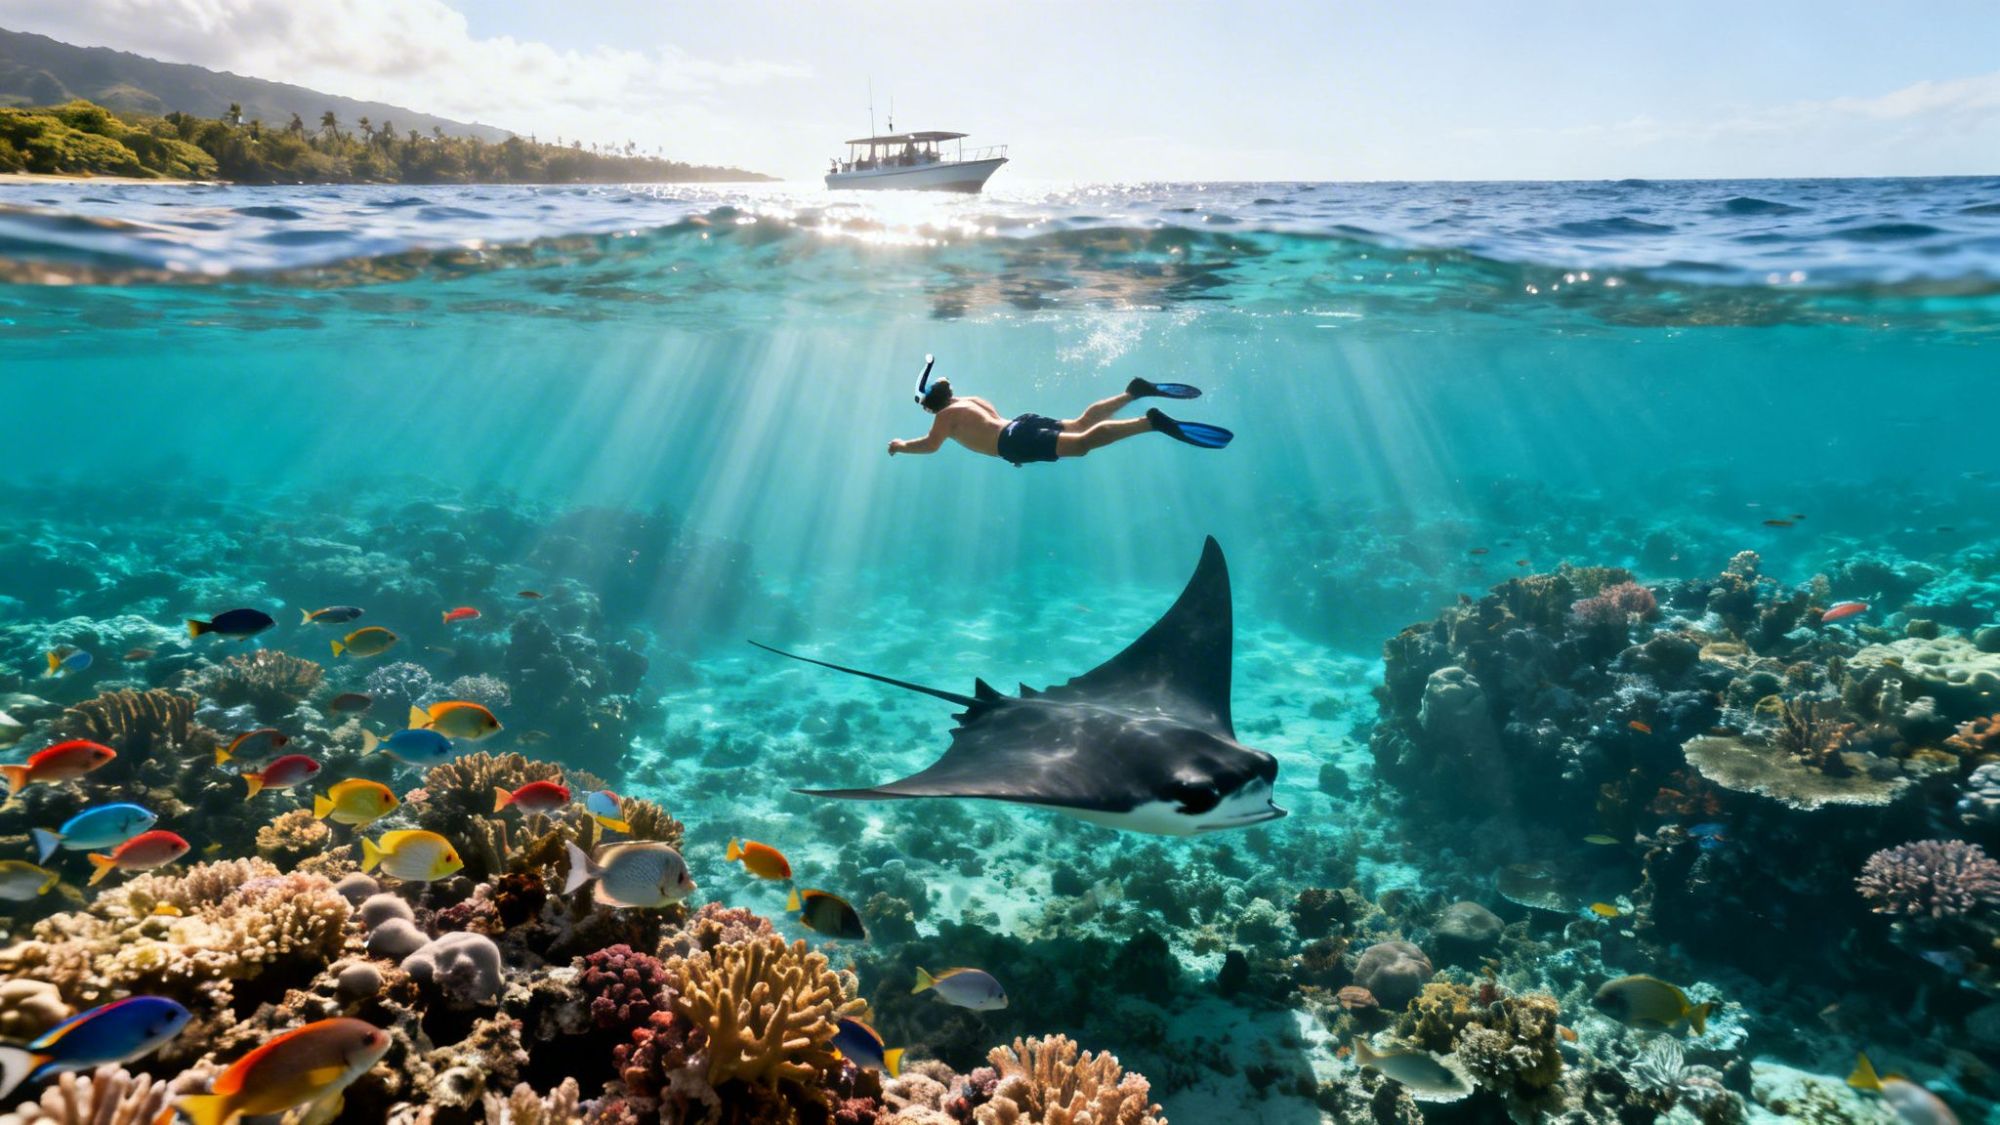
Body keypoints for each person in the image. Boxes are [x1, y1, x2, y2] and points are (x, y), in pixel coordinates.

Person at [888, 356, 1232, 466]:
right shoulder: (971, 400)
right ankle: (1132, 392)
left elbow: (931, 445)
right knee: (1079, 423)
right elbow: (989, 426)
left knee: (1081, 444)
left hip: (1011, 441)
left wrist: (902, 445)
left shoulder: (944, 418)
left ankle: (1149, 423)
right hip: (1019, 424)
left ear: (931, 406)